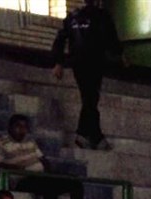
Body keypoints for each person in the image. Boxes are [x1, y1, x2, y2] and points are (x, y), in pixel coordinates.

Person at [51, 0, 124, 151]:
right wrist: (120, 54)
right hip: (94, 62)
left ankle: (93, 136)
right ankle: (86, 135)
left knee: (90, 98)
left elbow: (60, 40)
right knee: (91, 98)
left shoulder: (73, 17)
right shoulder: (101, 16)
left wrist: (59, 62)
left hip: (79, 62)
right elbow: (111, 38)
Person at [0, 114, 87, 199]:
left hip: (41, 176)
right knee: (49, 186)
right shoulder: (1, 143)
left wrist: (49, 172)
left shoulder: (30, 142)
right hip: (22, 179)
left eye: (24, 127)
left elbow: (42, 159)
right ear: (10, 127)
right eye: (18, 126)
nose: (22, 130)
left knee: (75, 183)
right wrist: (15, 167)